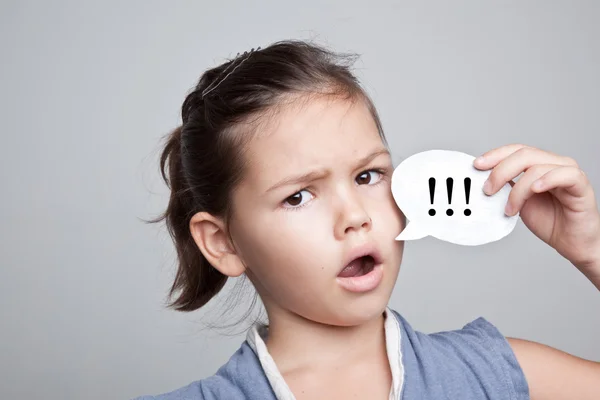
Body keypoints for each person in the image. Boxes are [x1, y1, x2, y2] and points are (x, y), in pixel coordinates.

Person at [136, 40, 600, 399]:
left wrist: (591, 251)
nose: (355, 216)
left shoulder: (494, 373)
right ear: (223, 243)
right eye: (298, 196)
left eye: (367, 175)